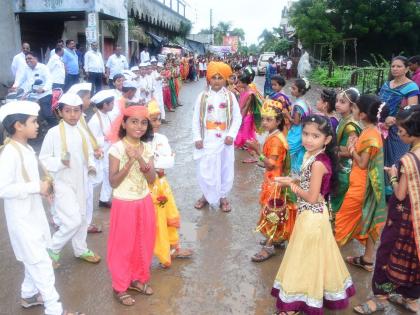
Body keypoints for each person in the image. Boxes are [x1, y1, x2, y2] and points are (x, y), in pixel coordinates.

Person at [0, 101, 85, 315]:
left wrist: (45, 187)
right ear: (18, 126)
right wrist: (36, 186)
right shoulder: (9, 153)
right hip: (22, 219)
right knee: (42, 264)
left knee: (35, 259)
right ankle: (54, 309)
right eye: (33, 122)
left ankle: (29, 295)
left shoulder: (25, 148)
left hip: (32, 214)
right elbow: (3, 188)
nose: (38, 125)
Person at [272, 115, 355, 315]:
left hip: (312, 216)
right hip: (314, 215)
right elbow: (305, 179)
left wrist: (291, 185)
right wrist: (288, 179)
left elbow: (311, 196)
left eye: (315, 136)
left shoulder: (318, 162)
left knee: (304, 259)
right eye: (306, 134)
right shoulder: (313, 156)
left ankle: (294, 306)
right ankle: (317, 294)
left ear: (326, 140)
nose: (308, 139)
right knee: (317, 256)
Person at [353, 105, 420, 314]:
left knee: (386, 254)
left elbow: (400, 194)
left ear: (413, 133)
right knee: (413, 257)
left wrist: (392, 174)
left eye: (401, 131)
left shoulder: (407, 161)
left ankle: (380, 297)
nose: (398, 135)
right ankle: (411, 298)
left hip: (403, 218)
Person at [39, 92, 101, 267]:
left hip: (80, 180)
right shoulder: (53, 133)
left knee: (81, 217)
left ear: (81, 111)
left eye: (76, 110)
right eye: (68, 111)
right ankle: (53, 248)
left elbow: (88, 153)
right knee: (72, 220)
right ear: (60, 112)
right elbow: (43, 158)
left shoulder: (81, 131)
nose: (73, 115)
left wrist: (91, 165)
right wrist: (60, 162)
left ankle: (80, 249)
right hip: (62, 182)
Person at [107, 105, 156, 306]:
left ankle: (136, 279)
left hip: (144, 200)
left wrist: (141, 157)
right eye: (134, 121)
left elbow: (151, 177)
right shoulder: (116, 149)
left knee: (143, 242)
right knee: (122, 246)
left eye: (143, 122)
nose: (139, 126)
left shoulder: (148, 147)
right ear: (124, 124)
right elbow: (113, 182)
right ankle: (119, 286)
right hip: (124, 203)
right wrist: (129, 161)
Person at [335, 95, 386, 272]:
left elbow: (363, 163)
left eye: (355, 109)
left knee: (342, 219)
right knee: (368, 220)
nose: (353, 111)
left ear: (363, 114)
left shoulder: (371, 135)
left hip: (362, 187)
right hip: (363, 184)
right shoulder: (370, 130)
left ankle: (328, 255)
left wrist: (350, 149)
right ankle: (367, 260)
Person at [246, 99, 297, 262]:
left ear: (279, 120)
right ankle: (277, 239)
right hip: (274, 179)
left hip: (275, 183)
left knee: (272, 213)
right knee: (276, 211)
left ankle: (269, 247)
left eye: (269, 119)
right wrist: (257, 154)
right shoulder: (276, 135)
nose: (265, 122)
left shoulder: (275, 140)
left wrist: (257, 151)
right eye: (263, 119)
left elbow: (270, 164)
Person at [147, 100, 193, 267]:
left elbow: (169, 162)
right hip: (145, 190)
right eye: (153, 120)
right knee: (152, 222)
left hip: (162, 186)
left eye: (158, 119)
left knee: (168, 215)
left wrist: (156, 163)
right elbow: (155, 164)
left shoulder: (161, 138)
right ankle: (158, 253)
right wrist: (158, 163)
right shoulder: (138, 142)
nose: (157, 123)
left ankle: (173, 248)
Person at [192, 61, 242, 212]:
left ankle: (223, 197)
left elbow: (237, 117)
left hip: (225, 138)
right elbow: (195, 118)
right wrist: (197, 138)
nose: (216, 81)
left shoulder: (231, 96)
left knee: (225, 167)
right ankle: (206, 196)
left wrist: (232, 134)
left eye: (220, 78)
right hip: (207, 137)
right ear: (208, 79)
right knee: (206, 168)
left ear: (225, 79)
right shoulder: (202, 96)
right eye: (213, 77)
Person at [379, 56, 419, 195]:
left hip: (399, 130)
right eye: (393, 66)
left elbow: (412, 111)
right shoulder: (387, 84)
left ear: (407, 68)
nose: (395, 69)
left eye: (399, 66)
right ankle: (383, 190)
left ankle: (397, 192)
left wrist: (395, 120)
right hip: (382, 127)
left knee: (397, 158)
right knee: (381, 157)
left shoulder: (411, 87)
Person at [330, 88, 362, 214]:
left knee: (339, 199)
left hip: (345, 168)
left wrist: (332, 151)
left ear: (352, 106)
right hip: (339, 162)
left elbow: (351, 151)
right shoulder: (343, 119)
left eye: (342, 102)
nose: (337, 104)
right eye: (337, 101)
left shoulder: (350, 126)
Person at [12, 51, 57, 129]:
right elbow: (20, 78)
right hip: (32, 94)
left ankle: (56, 127)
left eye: (30, 58)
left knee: (47, 114)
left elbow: (49, 79)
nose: (28, 60)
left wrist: (44, 89)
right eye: (26, 59)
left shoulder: (43, 67)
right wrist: (15, 86)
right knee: (31, 113)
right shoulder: (26, 68)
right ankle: (37, 129)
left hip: (44, 94)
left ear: (36, 58)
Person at [89, 90, 114, 212]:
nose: (113, 105)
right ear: (105, 105)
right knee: (95, 180)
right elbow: (90, 140)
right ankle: (84, 201)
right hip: (99, 154)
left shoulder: (107, 115)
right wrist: (104, 138)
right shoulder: (94, 120)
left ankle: (104, 199)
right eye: (111, 103)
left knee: (109, 176)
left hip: (108, 151)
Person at [287, 78, 311, 173]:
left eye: (294, 89)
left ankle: (291, 173)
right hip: (304, 130)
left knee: (289, 151)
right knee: (300, 153)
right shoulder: (305, 102)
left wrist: (287, 115)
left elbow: (296, 122)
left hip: (297, 131)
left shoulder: (298, 105)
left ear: (300, 91)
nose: (291, 90)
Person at [234, 69, 257, 152]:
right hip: (243, 114)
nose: (238, 84)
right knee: (244, 130)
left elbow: (246, 107)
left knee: (245, 132)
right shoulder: (244, 90)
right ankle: (244, 145)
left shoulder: (250, 93)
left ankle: (251, 150)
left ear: (244, 83)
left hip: (246, 115)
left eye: (240, 82)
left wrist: (241, 118)